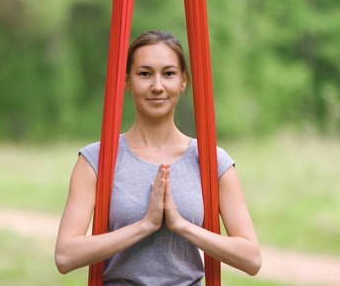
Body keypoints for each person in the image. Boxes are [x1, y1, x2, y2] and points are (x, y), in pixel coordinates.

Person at [55, 30, 261, 285]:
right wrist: (144, 225)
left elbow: (251, 259)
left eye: (168, 73)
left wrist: (180, 224)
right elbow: (65, 256)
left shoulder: (211, 161)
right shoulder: (96, 160)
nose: (157, 86)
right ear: (127, 81)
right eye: (144, 73)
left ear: (183, 81)